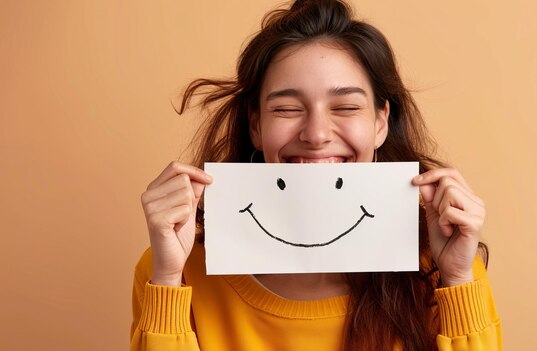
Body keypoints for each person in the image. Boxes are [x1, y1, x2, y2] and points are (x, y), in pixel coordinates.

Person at [130, 0, 502, 350]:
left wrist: (456, 281)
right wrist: (166, 278)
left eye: (345, 106)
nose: (317, 134)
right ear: (256, 126)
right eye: (288, 108)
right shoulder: (175, 269)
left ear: (380, 123)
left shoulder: (442, 270)